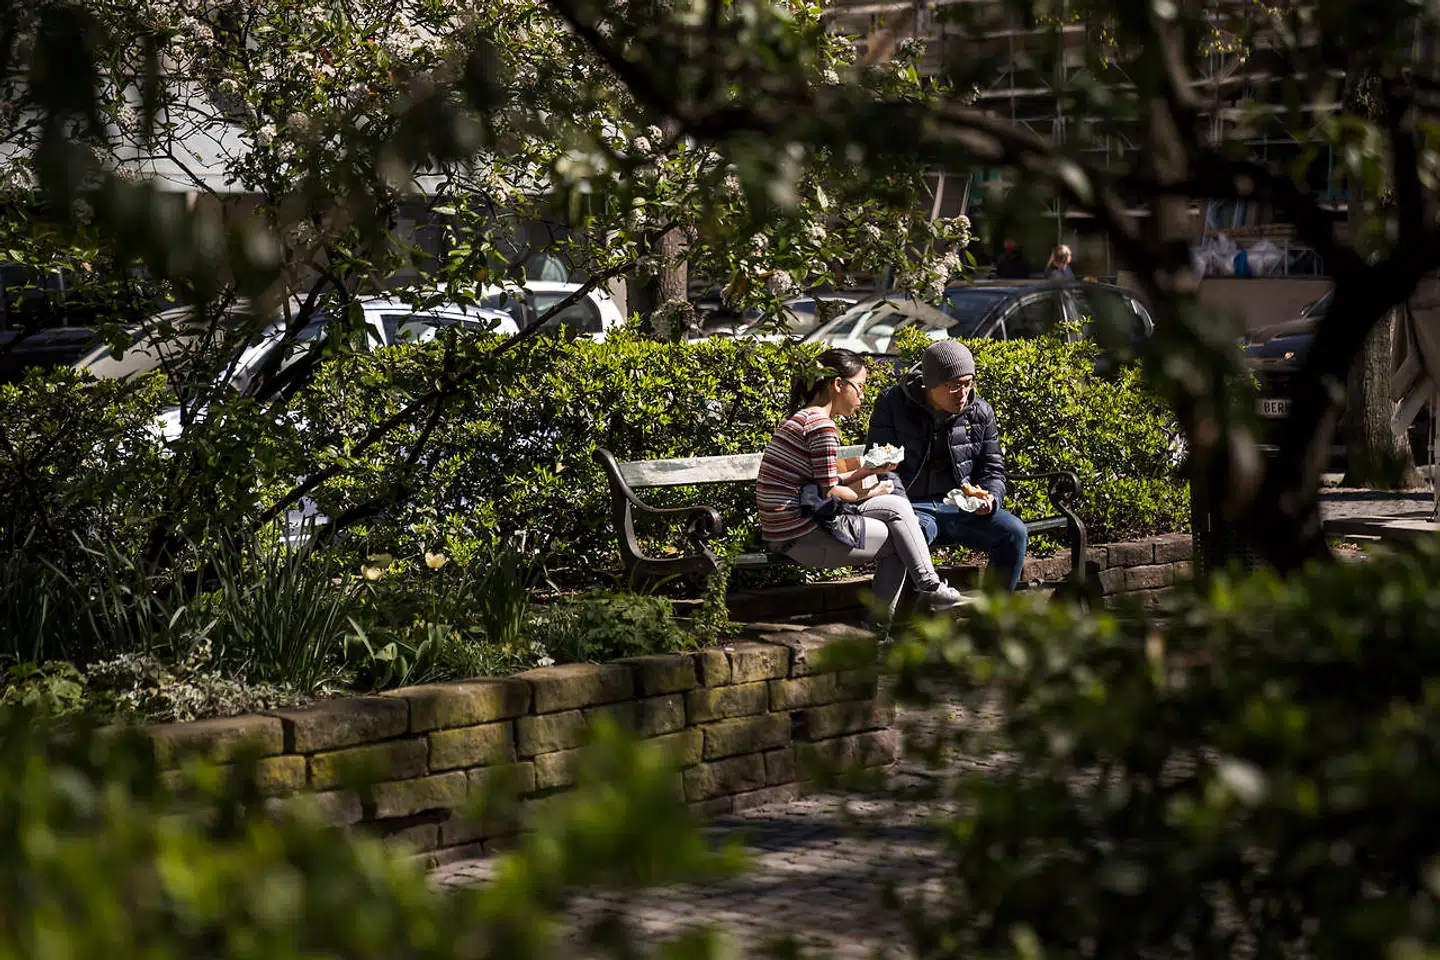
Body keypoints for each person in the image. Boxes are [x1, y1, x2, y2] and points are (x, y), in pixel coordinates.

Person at [756, 348, 965, 618]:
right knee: (899, 544)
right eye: (860, 387)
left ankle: (931, 588)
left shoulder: (807, 417)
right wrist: (867, 489)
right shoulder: (822, 426)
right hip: (798, 534)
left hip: (796, 523)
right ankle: (884, 629)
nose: (862, 397)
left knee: (894, 504)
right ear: (838, 384)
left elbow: (824, 482)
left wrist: (867, 472)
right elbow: (829, 490)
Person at [865, 341, 1029, 592]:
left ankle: (994, 619)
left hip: (960, 508)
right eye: (954, 385)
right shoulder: (892, 404)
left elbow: (992, 468)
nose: (963, 393)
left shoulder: (980, 411)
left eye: (968, 383)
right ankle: (903, 623)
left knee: (1014, 532)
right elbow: (882, 464)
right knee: (910, 537)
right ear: (931, 384)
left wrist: (991, 499)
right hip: (912, 506)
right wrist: (901, 506)